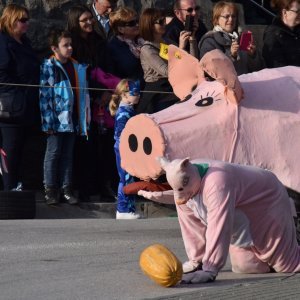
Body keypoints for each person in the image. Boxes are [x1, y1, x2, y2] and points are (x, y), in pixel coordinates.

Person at [67, 4, 118, 202]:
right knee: (83, 145)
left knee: (103, 144)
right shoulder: (72, 43)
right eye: (84, 20)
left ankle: (104, 186)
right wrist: (97, 90)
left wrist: (107, 91)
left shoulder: (98, 41)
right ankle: (84, 188)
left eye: (90, 19)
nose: (89, 22)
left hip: (102, 99)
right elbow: (79, 71)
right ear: (75, 22)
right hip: (82, 98)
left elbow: (107, 68)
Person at [39, 29, 90, 205]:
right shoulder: (49, 67)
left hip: (72, 118)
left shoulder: (76, 66)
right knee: (53, 153)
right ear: (54, 48)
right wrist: (48, 121)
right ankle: (50, 189)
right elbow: (45, 95)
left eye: (70, 45)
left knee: (68, 154)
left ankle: (66, 188)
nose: (70, 48)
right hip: (56, 119)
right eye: (65, 45)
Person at [0, 4, 40, 190]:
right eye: (22, 20)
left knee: (24, 150)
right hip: (11, 107)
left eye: (27, 20)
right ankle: (9, 190)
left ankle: (17, 187)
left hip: (28, 106)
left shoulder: (25, 42)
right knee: (10, 150)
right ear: (11, 20)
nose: (27, 24)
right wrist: (17, 93)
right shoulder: (3, 43)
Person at [136, 8, 194, 114]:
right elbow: (167, 71)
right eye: (160, 22)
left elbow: (187, 61)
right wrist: (180, 48)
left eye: (164, 21)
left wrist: (192, 41)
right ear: (150, 25)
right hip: (157, 92)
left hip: (172, 87)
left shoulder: (167, 42)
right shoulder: (147, 49)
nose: (164, 24)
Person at [198, 1, 264, 75]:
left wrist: (253, 56)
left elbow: (258, 70)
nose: (231, 19)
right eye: (226, 16)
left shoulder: (241, 38)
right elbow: (211, 73)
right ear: (216, 19)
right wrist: (231, 56)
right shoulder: (209, 41)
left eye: (233, 16)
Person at [109, 79, 141, 219]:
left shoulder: (129, 110)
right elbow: (120, 135)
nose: (138, 96)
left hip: (128, 149)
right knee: (125, 178)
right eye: (135, 93)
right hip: (123, 149)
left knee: (129, 178)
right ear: (124, 95)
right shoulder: (123, 112)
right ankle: (123, 209)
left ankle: (129, 209)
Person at [108, 7, 145, 83]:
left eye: (137, 21)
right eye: (132, 23)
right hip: (130, 90)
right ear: (120, 29)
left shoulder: (143, 39)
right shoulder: (113, 47)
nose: (137, 25)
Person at [262, 0, 300, 68]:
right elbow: (276, 65)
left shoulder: (297, 30)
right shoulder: (272, 33)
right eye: (297, 11)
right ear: (284, 12)